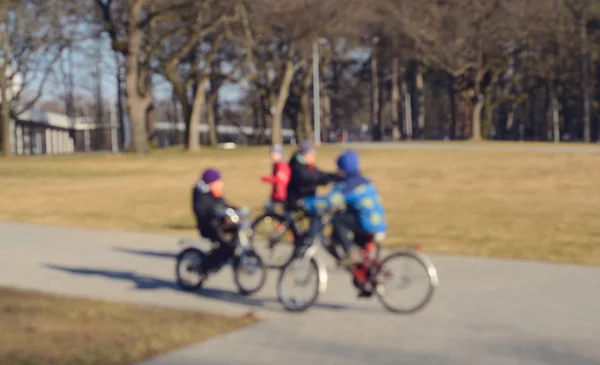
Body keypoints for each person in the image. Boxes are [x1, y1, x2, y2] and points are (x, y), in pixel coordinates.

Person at [299, 149, 387, 270]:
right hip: (378, 222)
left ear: (344, 170)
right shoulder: (365, 182)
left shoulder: (349, 187)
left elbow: (329, 201)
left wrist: (307, 203)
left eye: (339, 168)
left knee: (337, 220)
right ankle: (366, 274)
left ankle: (351, 253)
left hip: (367, 224)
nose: (338, 171)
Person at [286, 140, 339, 242]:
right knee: (319, 210)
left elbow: (320, 175)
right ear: (305, 154)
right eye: (311, 154)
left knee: (323, 208)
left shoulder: (308, 165)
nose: (313, 156)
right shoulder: (296, 165)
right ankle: (310, 239)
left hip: (308, 198)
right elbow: (307, 177)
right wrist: (322, 180)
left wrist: (336, 177)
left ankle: (312, 235)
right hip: (297, 199)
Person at [192, 168, 239, 274]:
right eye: (218, 181)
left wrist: (236, 210)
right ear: (211, 183)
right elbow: (201, 210)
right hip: (208, 226)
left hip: (219, 224)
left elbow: (224, 205)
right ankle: (207, 265)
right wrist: (215, 212)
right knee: (225, 245)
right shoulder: (201, 195)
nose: (221, 184)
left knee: (238, 231)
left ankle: (226, 255)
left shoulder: (215, 194)